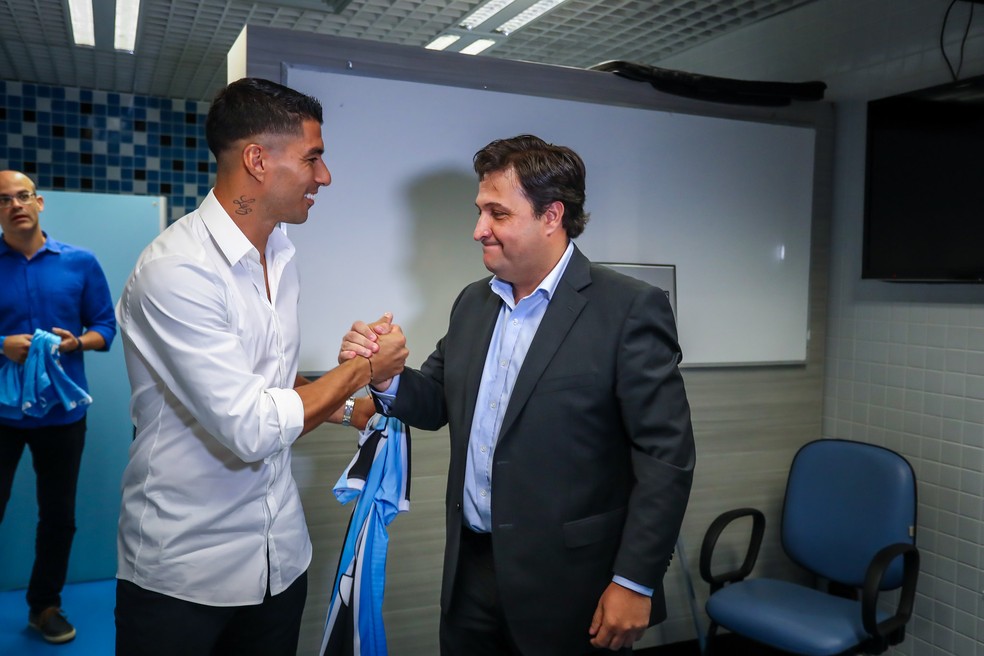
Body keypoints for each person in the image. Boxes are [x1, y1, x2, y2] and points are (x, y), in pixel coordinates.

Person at [342, 135, 696, 656]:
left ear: (551, 215)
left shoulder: (627, 309)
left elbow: (666, 457)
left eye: (497, 213)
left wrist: (634, 581)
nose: (478, 229)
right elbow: (438, 398)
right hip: (471, 573)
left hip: (574, 587)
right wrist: (385, 375)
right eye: (480, 210)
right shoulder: (473, 303)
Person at [113, 77, 407, 656]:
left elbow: (271, 385)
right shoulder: (176, 272)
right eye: (313, 158)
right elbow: (250, 426)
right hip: (185, 574)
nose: (324, 177)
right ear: (256, 159)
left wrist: (353, 408)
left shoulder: (279, 254)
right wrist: (362, 371)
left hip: (279, 560)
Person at [0, 170, 117, 644]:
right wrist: (1, 344)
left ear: (40, 202)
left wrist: (76, 343)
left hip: (62, 414)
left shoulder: (80, 263)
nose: (15, 205)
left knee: (59, 515)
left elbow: (105, 328)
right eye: (3, 199)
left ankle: (44, 605)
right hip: (1, 414)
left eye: (22, 196)